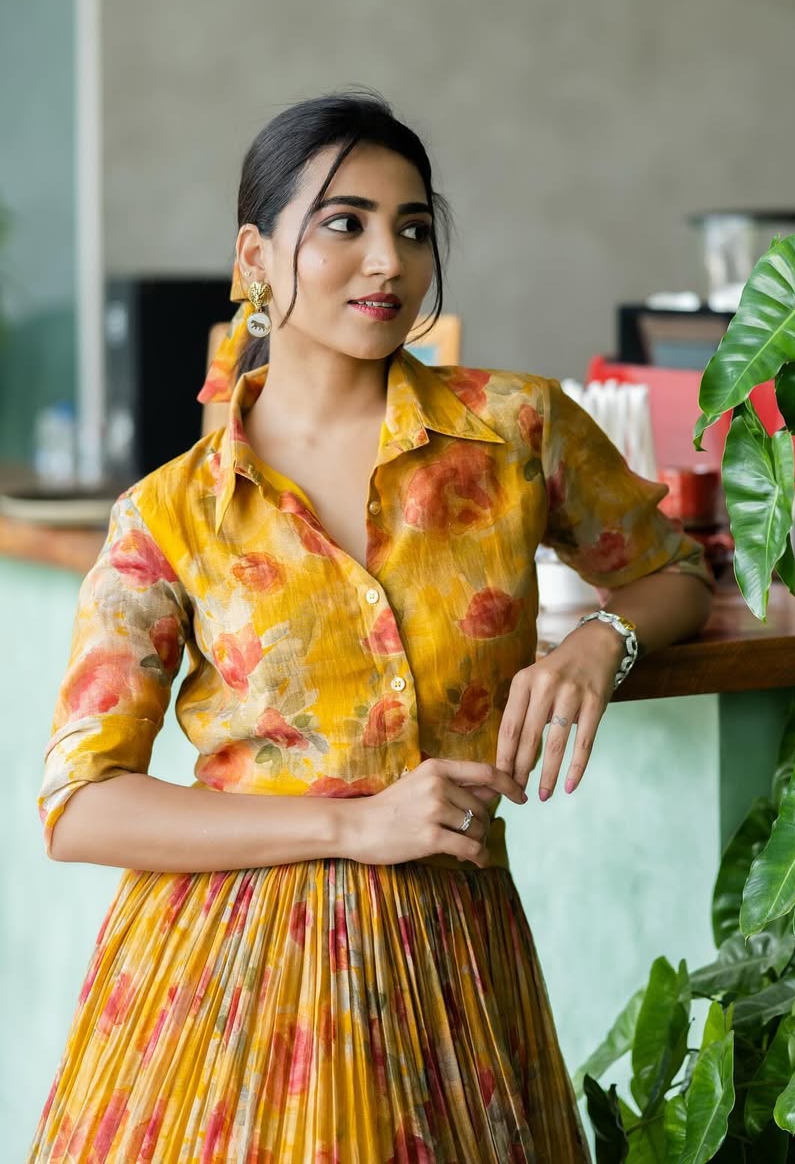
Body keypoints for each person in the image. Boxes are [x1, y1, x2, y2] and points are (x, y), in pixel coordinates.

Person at [29, 92, 716, 1162]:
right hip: (222, 992)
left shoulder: (515, 433)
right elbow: (79, 805)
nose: (387, 260)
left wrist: (598, 644)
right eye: (344, 223)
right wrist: (353, 825)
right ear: (258, 256)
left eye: (413, 226)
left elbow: (675, 573)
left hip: (451, 975)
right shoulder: (173, 512)